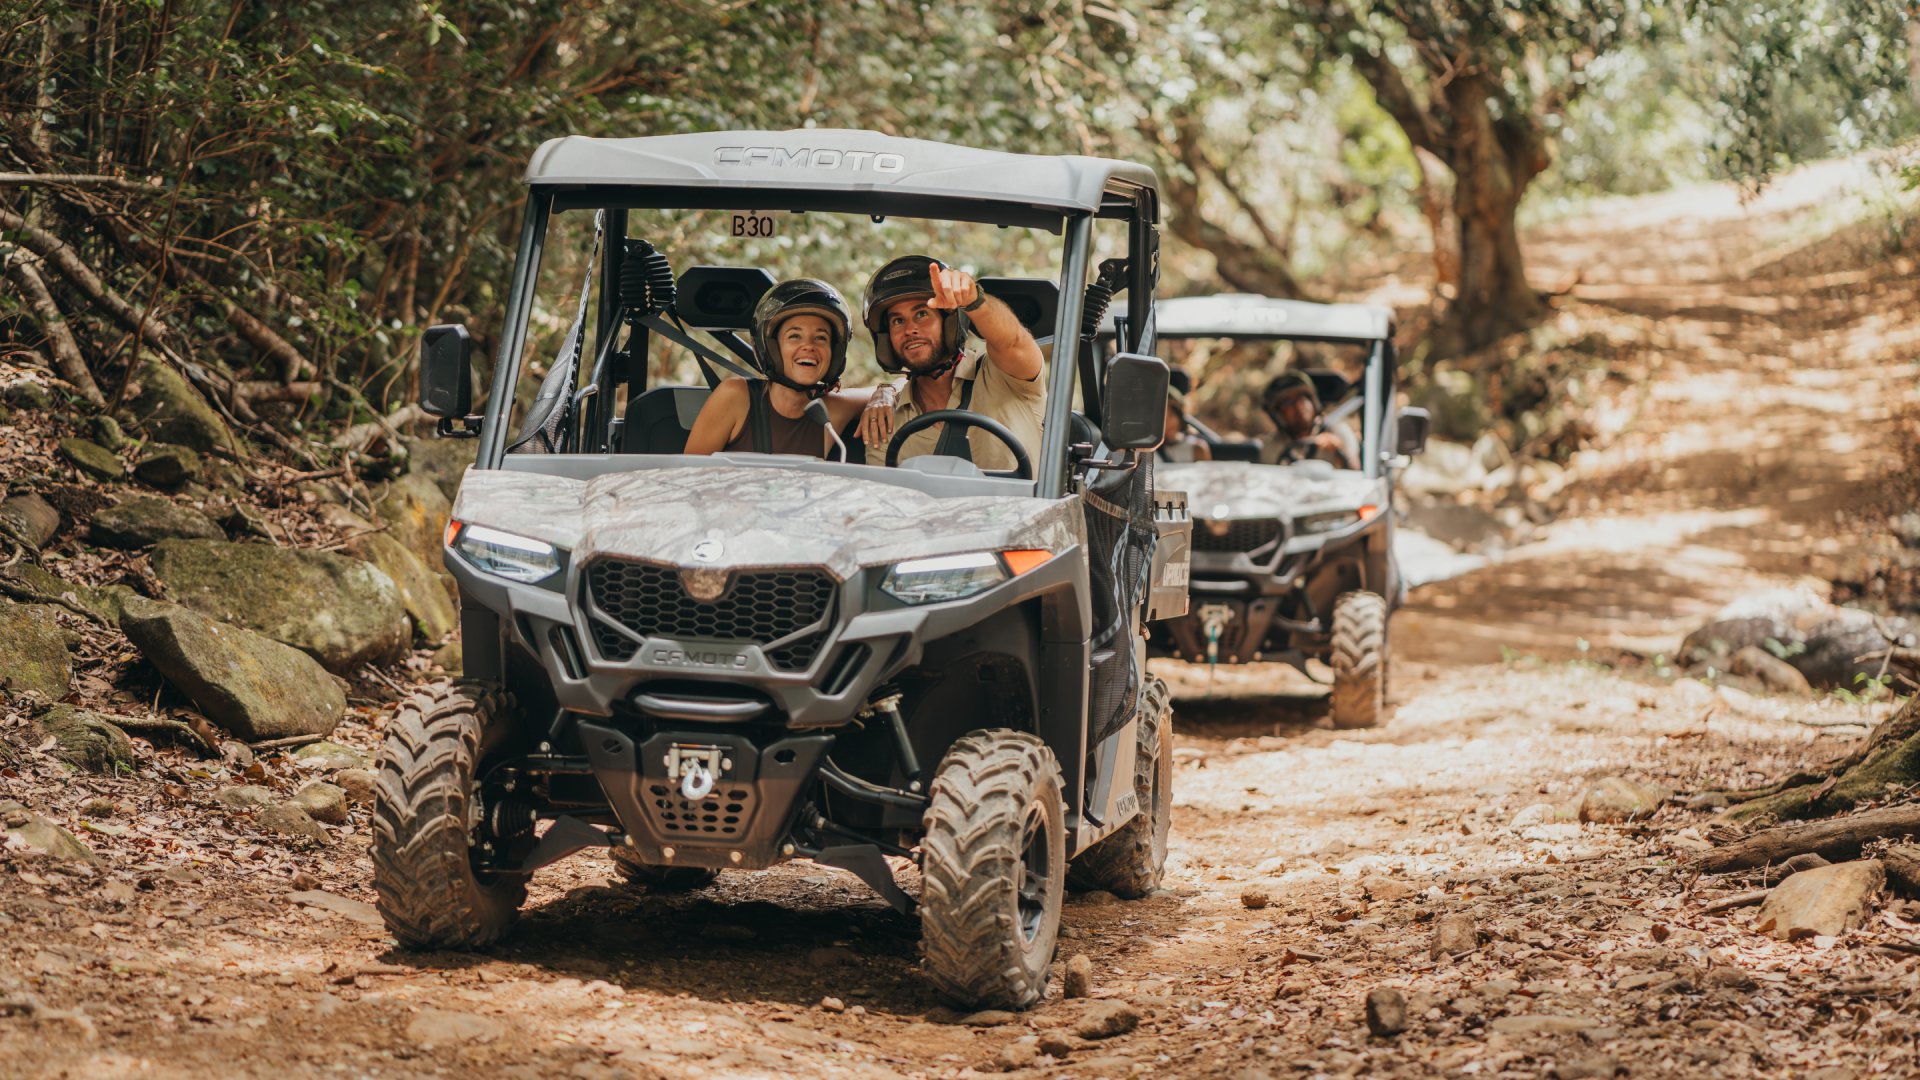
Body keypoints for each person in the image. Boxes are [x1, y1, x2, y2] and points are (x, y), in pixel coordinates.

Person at [856, 256, 1045, 474]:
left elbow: (1012, 340)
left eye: (922, 314)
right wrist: (885, 391)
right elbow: (885, 497)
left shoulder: (1003, 376)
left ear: (950, 322)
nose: (910, 329)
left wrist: (974, 300)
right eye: (898, 321)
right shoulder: (885, 420)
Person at [684, 279, 867, 458]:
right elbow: (689, 476)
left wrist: (885, 392)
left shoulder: (830, 410)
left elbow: (893, 389)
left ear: (833, 352)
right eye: (794, 336)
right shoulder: (736, 396)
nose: (809, 346)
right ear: (772, 348)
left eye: (821, 338)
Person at [1258, 369, 1357, 469]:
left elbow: (1357, 475)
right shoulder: (1271, 445)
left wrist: (1339, 450)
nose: (1298, 406)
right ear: (1277, 413)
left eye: (1302, 397)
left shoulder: (1337, 432)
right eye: (1288, 402)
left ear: (1313, 401)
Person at [1157, 387, 1212, 463]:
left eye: (1171, 415)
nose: (1167, 423)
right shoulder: (1146, 452)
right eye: (1162, 418)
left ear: (1180, 415)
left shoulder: (1196, 448)